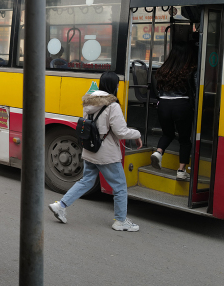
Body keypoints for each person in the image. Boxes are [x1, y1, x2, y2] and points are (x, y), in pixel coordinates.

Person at [49, 71, 143, 232]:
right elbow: (121, 132)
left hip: (90, 149)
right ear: (114, 86)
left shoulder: (89, 103)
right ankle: (120, 221)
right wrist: (137, 134)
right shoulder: (112, 105)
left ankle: (60, 205)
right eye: (118, 84)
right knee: (120, 186)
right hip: (106, 154)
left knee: (86, 181)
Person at [150, 42, 197, 180]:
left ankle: (158, 152)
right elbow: (196, 89)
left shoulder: (163, 70)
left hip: (163, 105)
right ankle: (181, 171)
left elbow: (158, 89)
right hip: (182, 105)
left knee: (167, 134)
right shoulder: (190, 70)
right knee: (184, 139)